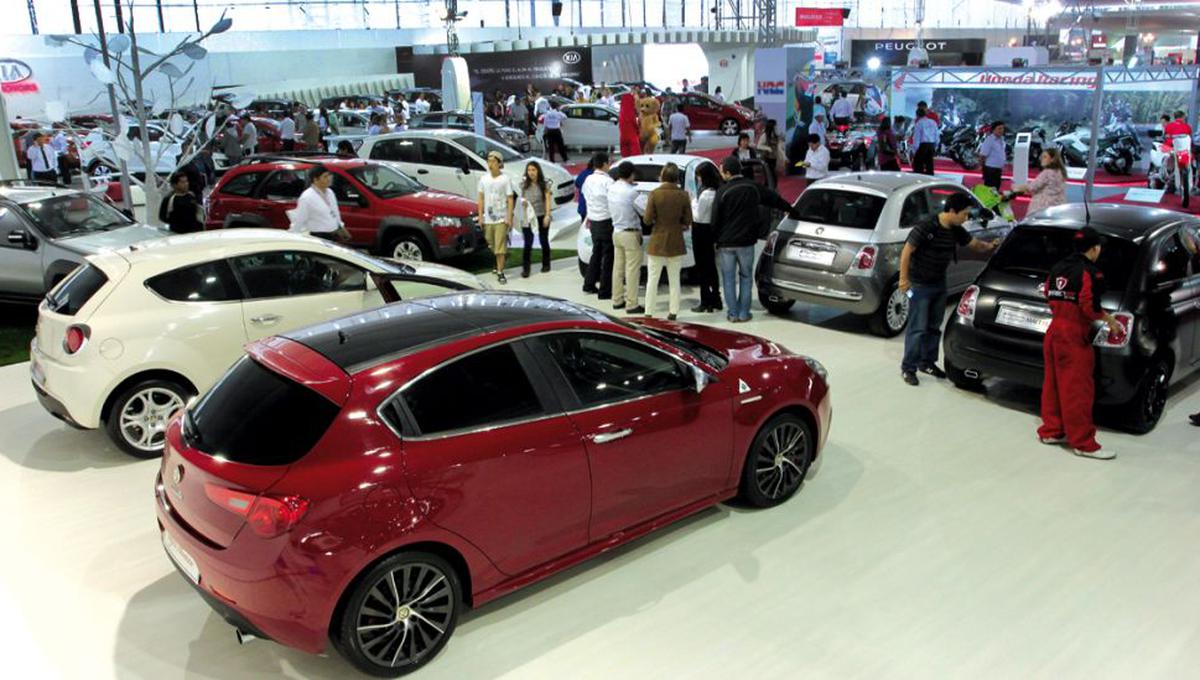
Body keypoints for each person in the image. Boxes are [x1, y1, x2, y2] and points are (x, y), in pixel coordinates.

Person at [1037, 227, 1123, 459]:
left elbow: (1047, 292)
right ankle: (1083, 443)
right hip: (1074, 336)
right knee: (1077, 391)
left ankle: (1052, 431)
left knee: (1052, 385)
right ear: (1094, 249)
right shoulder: (1091, 273)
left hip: (1053, 332)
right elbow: (1089, 306)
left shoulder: (1057, 267)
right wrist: (1110, 321)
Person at [898, 192, 999, 386]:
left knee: (934, 327)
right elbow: (907, 251)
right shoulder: (927, 226)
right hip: (919, 285)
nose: (966, 218)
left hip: (939, 283)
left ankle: (927, 363)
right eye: (964, 214)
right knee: (918, 328)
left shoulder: (956, 229)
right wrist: (904, 279)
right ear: (952, 211)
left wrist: (991, 246)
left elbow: (975, 245)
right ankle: (908, 367)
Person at [712, 156, 795, 322]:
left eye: (722, 171)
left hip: (726, 243)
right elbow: (774, 199)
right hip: (747, 242)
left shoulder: (722, 192)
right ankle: (744, 313)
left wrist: (714, 240)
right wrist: (791, 210)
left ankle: (733, 314)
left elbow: (715, 219)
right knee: (746, 277)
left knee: (728, 279)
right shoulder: (753, 187)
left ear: (728, 173)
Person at [644, 163, 692, 320]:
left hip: (657, 240)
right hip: (676, 241)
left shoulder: (654, 194)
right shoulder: (683, 195)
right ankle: (673, 312)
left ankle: (649, 312)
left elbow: (647, 219)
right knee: (674, 279)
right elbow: (688, 220)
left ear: (662, 176)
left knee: (653, 279)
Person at [609, 162, 644, 313]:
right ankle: (632, 304)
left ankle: (617, 300)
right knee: (632, 270)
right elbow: (644, 211)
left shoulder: (611, 188)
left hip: (616, 232)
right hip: (630, 234)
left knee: (618, 269)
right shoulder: (632, 192)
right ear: (632, 174)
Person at [477, 150, 516, 284]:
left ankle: (500, 271)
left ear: (499, 163)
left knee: (500, 246)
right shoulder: (483, 179)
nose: (490, 164)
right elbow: (481, 198)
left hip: (501, 217)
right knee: (491, 243)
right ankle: (498, 260)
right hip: (488, 217)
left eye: (493, 161)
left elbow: (510, 199)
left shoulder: (505, 179)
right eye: (489, 161)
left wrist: (509, 217)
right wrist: (480, 215)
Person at [690, 162, 723, 313]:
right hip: (711, 231)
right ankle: (716, 298)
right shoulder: (717, 190)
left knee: (702, 266)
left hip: (701, 230)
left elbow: (698, 215)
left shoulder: (705, 194)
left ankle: (705, 300)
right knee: (711, 266)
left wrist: (692, 202)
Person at [582, 153, 615, 298]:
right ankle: (604, 290)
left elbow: (585, 195)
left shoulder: (588, 179)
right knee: (608, 256)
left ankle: (588, 284)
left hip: (593, 220)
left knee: (596, 253)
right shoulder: (608, 182)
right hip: (606, 221)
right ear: (604, 164)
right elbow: (614, 201)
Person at [288, 165, 350, 241]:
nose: (329, 179)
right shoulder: (307, 197)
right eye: (325, 177)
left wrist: (341, 226)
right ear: (316, 180)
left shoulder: (330, 192)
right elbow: (300, 220)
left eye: (329, 175)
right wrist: (292, 237)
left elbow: (335, 212)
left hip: (334, 234)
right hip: (318, 237)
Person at [519, 161, 553, 277]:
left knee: (544, 240)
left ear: (538, 171)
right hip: (528, 217)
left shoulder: (544, 184)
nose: (531, 172)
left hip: (541, 215)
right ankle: (526, 269)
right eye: (529, 170)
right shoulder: (523, 184)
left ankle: (546, 264)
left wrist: (547, 215)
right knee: (528, 243)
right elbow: (521, 199)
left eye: (533, 170)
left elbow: (548, 200)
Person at [1013, 148, 1067, 216]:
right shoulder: (1060, 172)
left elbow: (1031, 187)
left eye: (1045, 157)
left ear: (1052, 159)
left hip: (1043, 208)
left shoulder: (1047, 173)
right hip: (1058, 207)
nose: (1041, 159)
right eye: (1041, 157)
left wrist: (1016, 187)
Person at [1164, 110, 1193, 208]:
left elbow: (1167, 139)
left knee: (1168, 161)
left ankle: (1169, 183)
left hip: (1174, 150)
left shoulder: (1169, 126)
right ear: (1183, 117)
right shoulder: (1187, 127)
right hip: (1185, 152)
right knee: (1189, 167)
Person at [977, 120, 1007, 190]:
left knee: (996, 188)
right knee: (989, 189)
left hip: (998, 169)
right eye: (999, 128)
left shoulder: (1001, 140)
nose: (1001, 130)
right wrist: (981, 166)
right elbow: (982, 155)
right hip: (990, 169)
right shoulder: (989, 140)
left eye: (1002, 128)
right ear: (993, 129)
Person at [909, 107, 938, 175]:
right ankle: (930, 178)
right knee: (929, 164)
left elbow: (917, 137)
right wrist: (935, 145)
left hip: (923, 146)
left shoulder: (919, 123)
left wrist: (914, 150)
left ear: (917, 115)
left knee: (918, 164)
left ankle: (920, 179)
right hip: (931, 144)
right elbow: (936, 135)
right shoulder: (932, 122)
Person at [618, 91, 641, 158]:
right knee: (636, 157)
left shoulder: (622, 113)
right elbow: (633, 122)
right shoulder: (630, 113)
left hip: (623, 136)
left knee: (625, 156)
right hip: (631, 136)